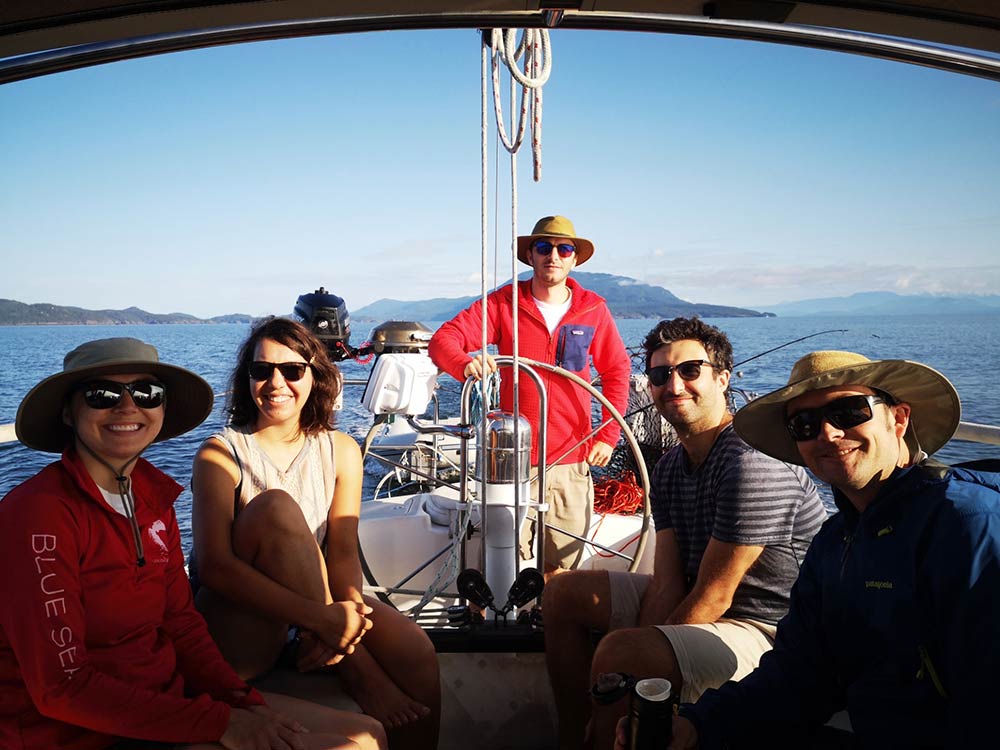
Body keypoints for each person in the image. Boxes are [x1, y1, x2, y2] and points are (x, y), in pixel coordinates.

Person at [0, 337, 384, 750]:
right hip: (79, 732)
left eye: (146, 393)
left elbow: (181, 624)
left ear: (161, 409)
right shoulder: (38, 516)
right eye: (102, 394)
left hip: (165, 697)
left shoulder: (150, 499)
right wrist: (221, 723)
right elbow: (63, 687)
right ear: (68, 414)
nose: (127, 406)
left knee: (368, 734)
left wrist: (242, 701)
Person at [615, 349, 1000, 749]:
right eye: (805, 423)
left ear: (898, 418)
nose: (828, 434)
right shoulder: (834, 544)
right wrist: (695, 726)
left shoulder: (968, 527)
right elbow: (800, 675)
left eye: (849, 412)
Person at [544, 317, 827, 750]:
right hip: (708, 605)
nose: (674, 386)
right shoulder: (670, 468)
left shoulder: (751, 462)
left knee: (623, 654)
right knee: (563, 595)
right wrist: (638, 649)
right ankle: (581, 732)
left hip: (770, 629)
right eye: (660, 375)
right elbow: (669, 583)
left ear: (723, 378)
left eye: (690, 370)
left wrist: (637, 658)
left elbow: (715, 597)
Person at [190, 317, 440, 749]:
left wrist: (349, 618)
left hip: (315, 615)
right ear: (246, 378)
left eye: (292, 370)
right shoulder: (221, 453)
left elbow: (342, 551)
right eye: (261, 370)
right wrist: (325, 622)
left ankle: (346, 653)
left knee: (415, 648)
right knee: (275, 508)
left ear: (314, 376)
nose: (275, 383)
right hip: (242, 624)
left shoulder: (340, 450)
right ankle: (357, 671)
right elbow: (214, 567)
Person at [428, 215, 631, 575]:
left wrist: (608, 434)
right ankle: (489, 624)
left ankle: (548, 627)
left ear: (573, 259)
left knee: (562, 565)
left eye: (563, 248)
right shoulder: (504, 304)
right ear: (531, 256)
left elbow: (617, 371)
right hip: (510, 459)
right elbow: (444, 340)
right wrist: (464, 364)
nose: (553, 255)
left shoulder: (593, 309)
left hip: (570, 457)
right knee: (499, 561)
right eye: (544, 247)